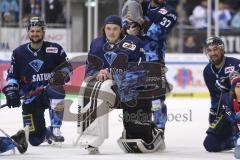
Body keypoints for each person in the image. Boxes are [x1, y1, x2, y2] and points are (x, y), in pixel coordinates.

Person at [76, 15, 164, 154]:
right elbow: (89, 69)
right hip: (107, 88)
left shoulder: (134, 43)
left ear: (121, 29)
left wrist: (113, 73)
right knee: (89, 87)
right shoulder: (96, 44)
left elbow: (140, 72)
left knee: (136, 131)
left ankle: (147, 131)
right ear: (104, 29)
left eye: (115, 29)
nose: (111, 32)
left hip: (130, 88)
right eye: (108, 29)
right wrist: (98, 73)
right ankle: (91, 136)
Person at [2, 17, 72, 146]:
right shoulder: (18, 53)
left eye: (38, 31)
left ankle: (56, 128)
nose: (35, 34)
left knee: (56, 88)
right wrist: (12, 91)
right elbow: (12, 75)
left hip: (48, 92)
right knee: (34, 140)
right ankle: (47, 133)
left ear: (43, 32)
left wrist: (62, 74)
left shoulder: (55, 49)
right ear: (28, 32)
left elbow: (68, 68)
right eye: (32, 31)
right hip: (30, 97)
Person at [141, 0, 177, 147]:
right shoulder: (141, 5)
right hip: (134, 60)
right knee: (138, 99)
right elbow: (126, 27)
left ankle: (160, 130)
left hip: (154, 61)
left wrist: (139, 22)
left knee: (156, 100)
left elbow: (157, 32)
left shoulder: (170, 12)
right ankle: (140, 129)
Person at [203, 36, 240, 152]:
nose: (212, 53)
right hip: (227, 112)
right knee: (210, 144)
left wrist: (230, 86)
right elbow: (214, 96)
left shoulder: (236, 64)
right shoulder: (207, 71)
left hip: (238, 107)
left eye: (215, 49)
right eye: (209, 50)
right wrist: (213, 113)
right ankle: (233, 140)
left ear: (222, 49)